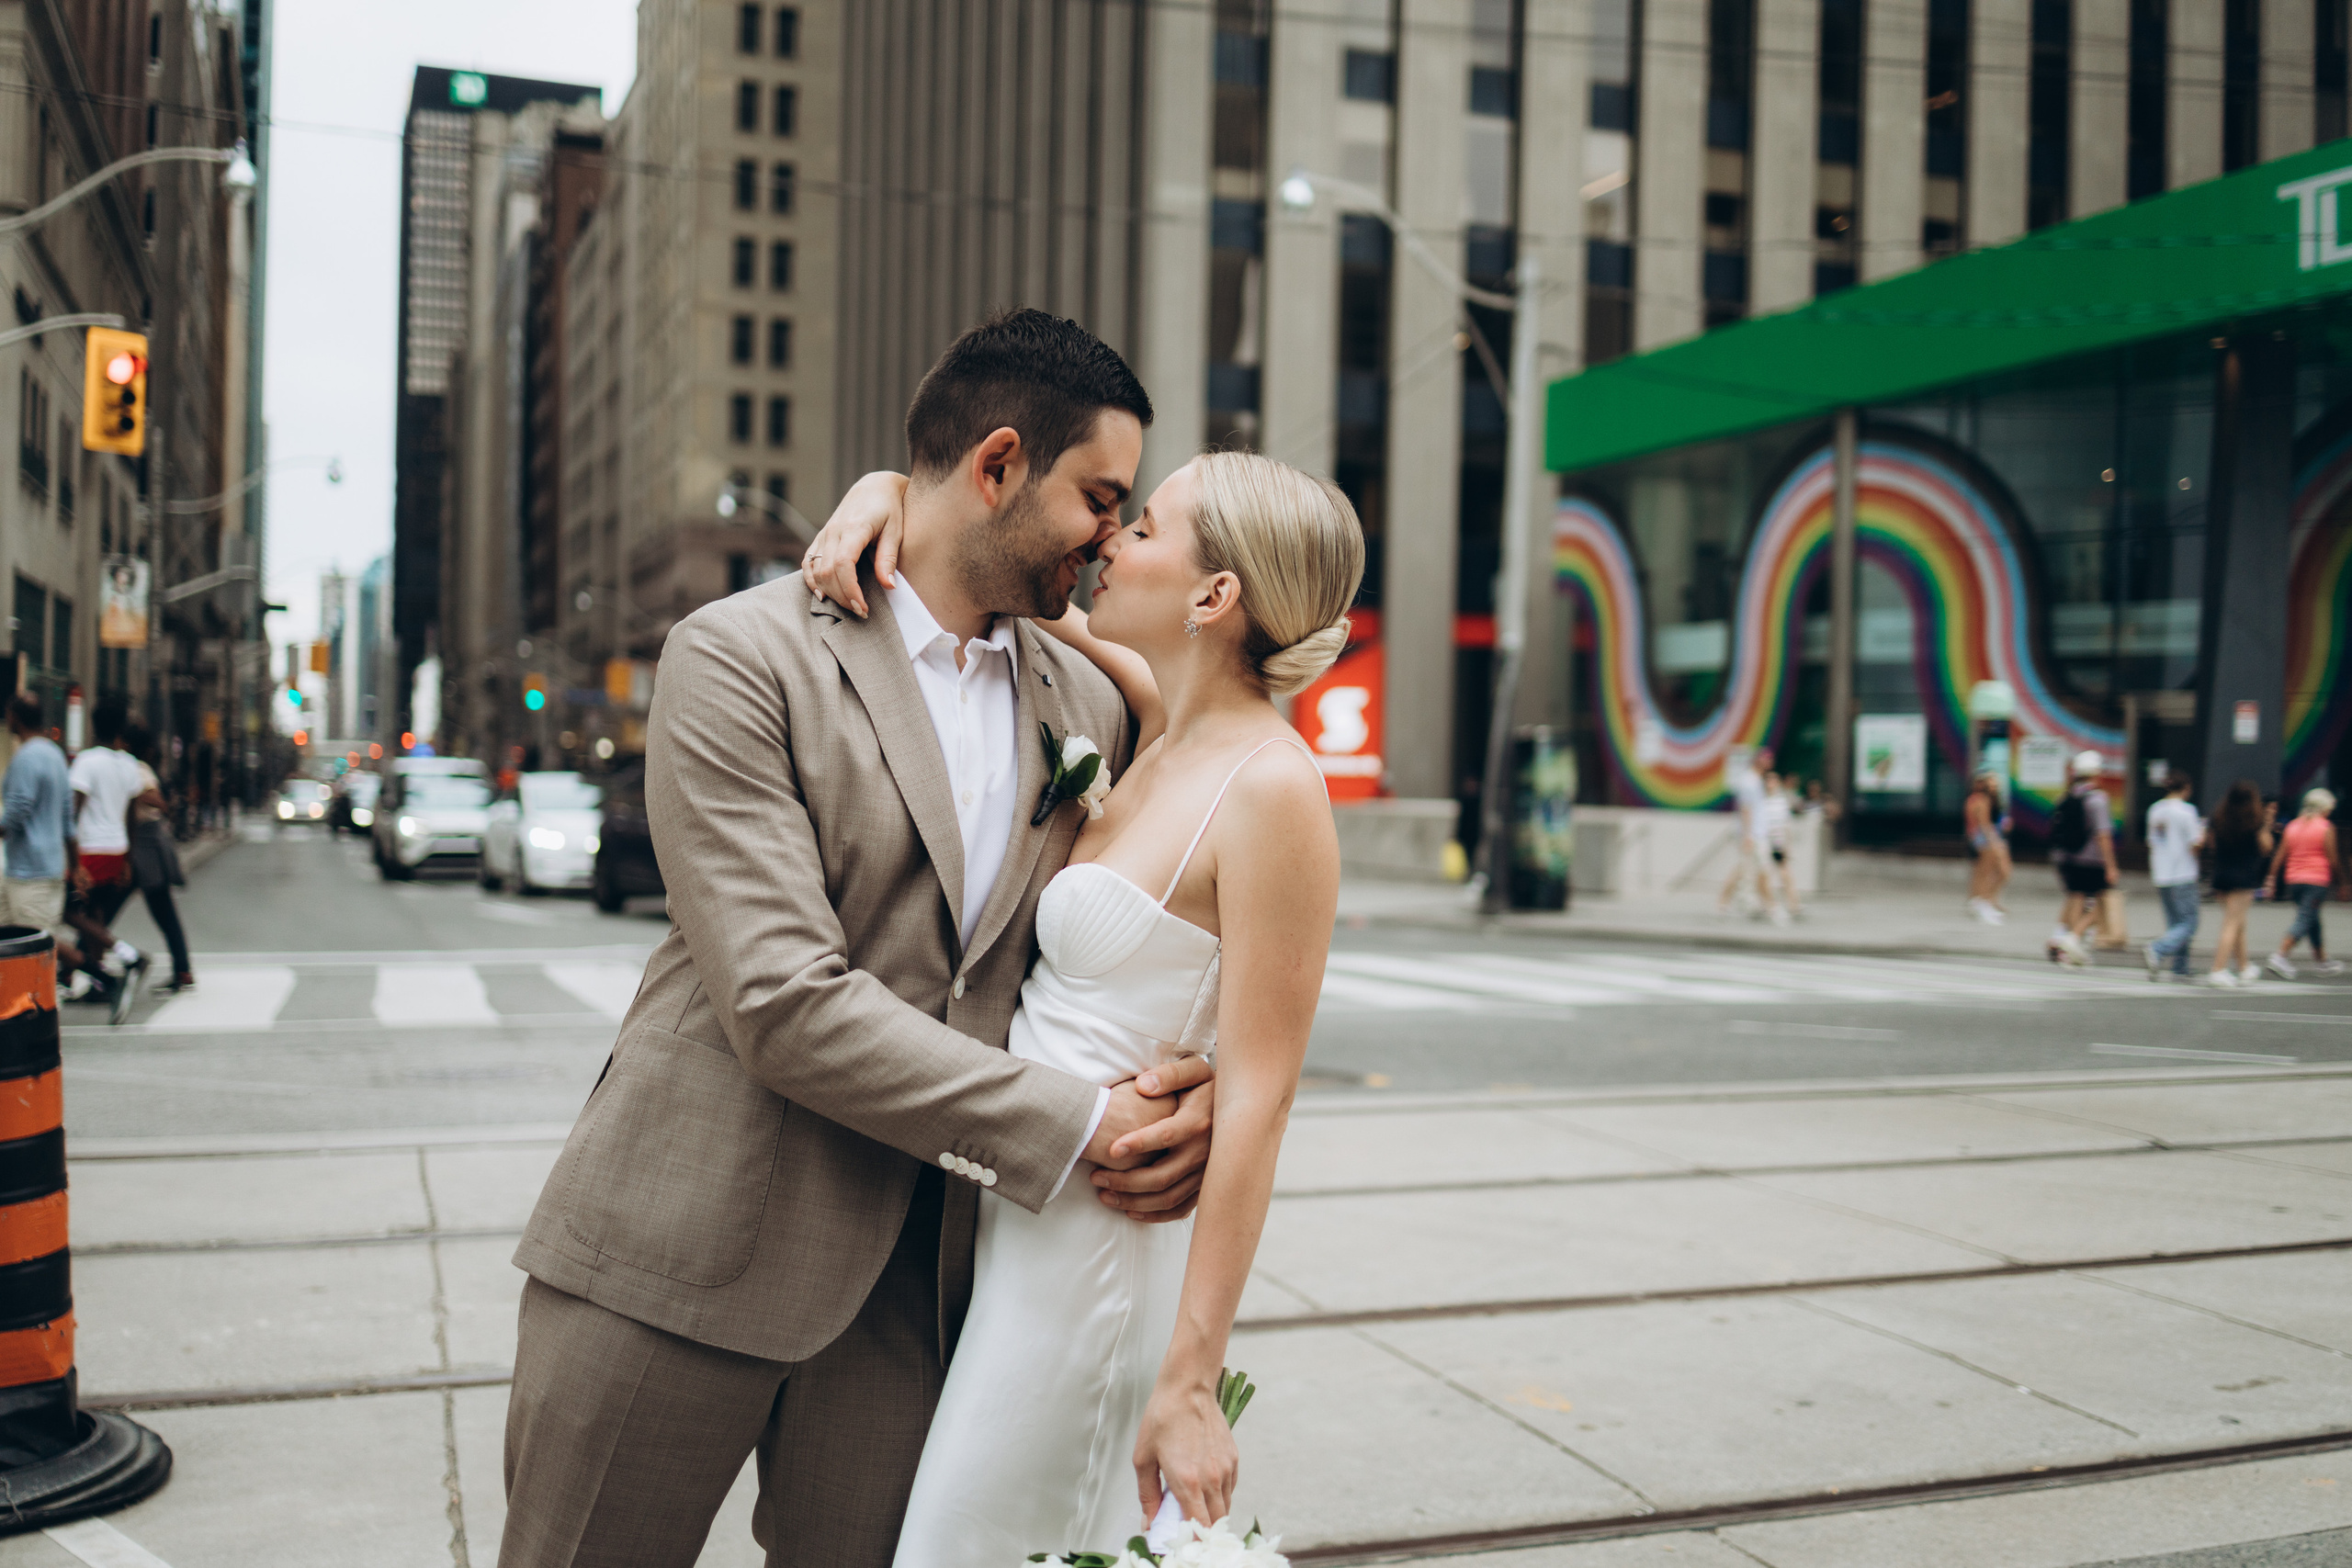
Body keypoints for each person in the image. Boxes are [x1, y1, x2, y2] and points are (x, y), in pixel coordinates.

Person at [501, 310, 1222, 1568]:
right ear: (997, 464)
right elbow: (781, 1000)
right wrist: (1080, 1122)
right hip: (684, 1241)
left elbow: (1162, 898)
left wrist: (1183, 1082)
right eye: (1099, 497)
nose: (1115, 533)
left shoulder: (1095, 695)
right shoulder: (739, 656)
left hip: (916, 1288)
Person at [801, 441, 1356, 1563]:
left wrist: (1192, 1378)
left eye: (1145, 527)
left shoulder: (1274, 789)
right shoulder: (1158, 720)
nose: (1111, 538)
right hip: (1019, 1220)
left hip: (1098, 1251)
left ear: (1215, 594)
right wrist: (892, 492)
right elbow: (988, 554)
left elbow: (1259, 1099)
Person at [66, 696, 149, 1018]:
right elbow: (132, 814)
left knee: (69, 912)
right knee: (96, 913)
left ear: (93, 725)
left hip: (90, 849)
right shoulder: (129, 764)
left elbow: (73, 811)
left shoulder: (87, 761)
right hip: (116, 849)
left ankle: (128, 955)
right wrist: (127, 857)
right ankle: (98, 984)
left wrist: (71, 861)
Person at [0, 694, 75, 951]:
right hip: (50, 868)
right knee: (20, 945)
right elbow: (68, 819)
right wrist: (74, 866)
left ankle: (93, 975)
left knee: (32, 950)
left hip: (29, 873)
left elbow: (17, 811)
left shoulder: (27, 757)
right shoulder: (55, 754)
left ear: (14, 717)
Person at [122, 724, 193, 995]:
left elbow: (153, 797)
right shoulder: (137, 766)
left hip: (145, 842)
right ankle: (182, 969)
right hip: (145, 842)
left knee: (109, 906)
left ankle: (82, 961)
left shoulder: (136, 769)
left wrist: (136, 796)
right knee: (162, 911)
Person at [2044, 750, 2117, 966]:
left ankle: (2060, 939)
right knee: (2101, 903)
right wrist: (2111, 865)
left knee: (2075, 898)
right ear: (2096, 773)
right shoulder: (2098, 799)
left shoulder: (2069, 796)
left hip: (2067, 856)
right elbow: (2103, 835)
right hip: (2091, 859)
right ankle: (2072, 940)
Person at [2267, 787, 2346, 978]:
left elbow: (2280, 854)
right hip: (2316, 881)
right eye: (2329, 808)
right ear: (2323, 808)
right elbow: (2333, 858)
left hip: (2293, 880)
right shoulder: (2326, 827)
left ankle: (2323, 961)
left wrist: (2271, 878)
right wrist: (2343, 882)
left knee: (2312, 920)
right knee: (2305, 919)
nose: (2330, 812)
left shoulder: (2292, 826)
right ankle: (2280, 956)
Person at [2206, 779, 2275, 987]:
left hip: (2221, 876)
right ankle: (2218, 970)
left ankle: (2244, 967)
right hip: (2243, 877)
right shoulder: (2255, 820)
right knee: (2231, 924)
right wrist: (2267, 825)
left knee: (2238, 924)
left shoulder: (2218, 818)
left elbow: (2209, 844)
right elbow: (2266, 848)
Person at [2143, 771, 2204, 982]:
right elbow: (2195, 843)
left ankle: (2180, 965)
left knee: (2175, 923)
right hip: (2183, 871)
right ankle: (2158, 949)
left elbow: (2151, 841)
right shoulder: (2187, 812)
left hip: (2161, 871)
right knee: (2189, 922)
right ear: (2186, 788)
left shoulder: (2155, 810)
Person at [1716, 746, 1777, 920]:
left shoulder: (1757, 780)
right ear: (1759, 760)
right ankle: (1766, 907)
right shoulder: (1748, 781)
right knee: (1750, 870)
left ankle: (1755, 904)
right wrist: (1748, 835)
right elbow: (1746, 810)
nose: (1769, 762)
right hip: (1752, 835)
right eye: (1767, 759)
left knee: (1750, 870)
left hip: (1758, 833)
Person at [1963, 772, 2012, 924]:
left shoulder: (1976, 799)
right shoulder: (1982, 800)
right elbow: (1985, 824)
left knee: (1984, 872)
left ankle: (1982, 902)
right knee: (1987, 872)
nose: (1994, 786)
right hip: (1985, 839)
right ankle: (1983, 903)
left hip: (1981, 838)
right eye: (1992, 783)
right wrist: (1994, 841)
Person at [1758, 771, 1799, 923]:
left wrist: (1787, 845)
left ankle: (1793, 904)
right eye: (1768, 781)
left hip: (1778, 844)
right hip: (1764, 844)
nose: (1770, 784)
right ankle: (1767, 904)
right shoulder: (1761, 801)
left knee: (1785, 875)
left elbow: (1786, 825)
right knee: (1764, 876)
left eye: (1773, 781)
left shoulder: (1781, 802)